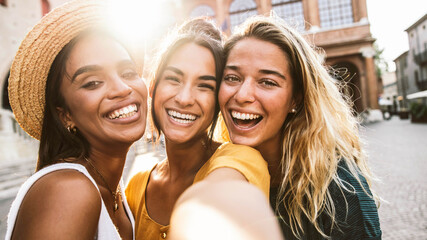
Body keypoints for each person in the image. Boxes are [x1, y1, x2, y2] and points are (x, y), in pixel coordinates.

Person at [218, 15, 382, 239]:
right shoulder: (220, 172)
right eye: (232, 78)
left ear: (295, 98)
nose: (243, 95)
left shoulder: (342, 191)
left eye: (267, 82)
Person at [125, 18, 282, 240]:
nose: (185, 98)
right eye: (173, 79)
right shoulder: (135, 185)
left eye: (204, 86)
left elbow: (222, 202)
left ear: (217, 102)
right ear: (153, 88)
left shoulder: (242, 159)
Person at [5, 1, 147, 239]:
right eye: (92, 83)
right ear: (65, 115)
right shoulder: (69, 190)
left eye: (128, 73)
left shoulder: (116, 192)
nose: (122, 88)